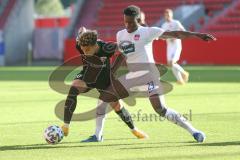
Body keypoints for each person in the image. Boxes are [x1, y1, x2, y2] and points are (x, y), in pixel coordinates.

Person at [82, 5, 216, 143]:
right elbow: (122, 54)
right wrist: (112, 72)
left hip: (149, 76)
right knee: (104, 96)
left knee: (160, 109)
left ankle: (194, 131)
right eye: (125, 21)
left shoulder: (148, 32)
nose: (127, 25)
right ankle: (98, 136)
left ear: (138, 19)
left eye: (130, 22)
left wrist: (197, 35)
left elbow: (175, 34)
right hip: (133, 76)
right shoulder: (120, 34)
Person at [61, 27, 148, 142]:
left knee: (117, 106)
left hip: (104, 80)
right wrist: (82, 32)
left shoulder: (106, 47)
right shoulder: (80, 44)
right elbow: (82, 31)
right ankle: (66, 125)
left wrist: (116, 66)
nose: (85, 53)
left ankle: (134, 129)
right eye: (83, 50)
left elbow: (128, 48)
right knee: (73, 88)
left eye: (87, 50)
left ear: (94, 45)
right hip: (87, 76)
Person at [162, 9, 189, 84]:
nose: (167, 16)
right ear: (164, 16)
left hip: (176, 45)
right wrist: (164, 37)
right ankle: (180, 80)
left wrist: (177, 36)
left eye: (169, 15)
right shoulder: (164, 25)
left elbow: (183, 31)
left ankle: (184, 73)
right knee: (170, 63)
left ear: (171, 15)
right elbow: (163, 35)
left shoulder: (176, 23)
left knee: (172, 62)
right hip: (169, 46)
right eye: (166, 15)